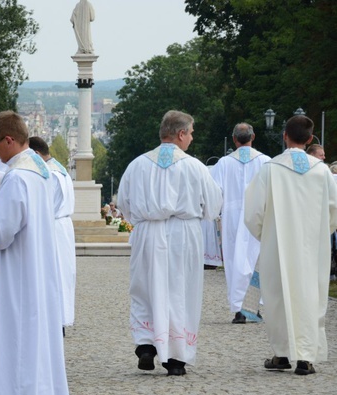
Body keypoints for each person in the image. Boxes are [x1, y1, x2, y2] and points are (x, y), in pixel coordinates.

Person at [0, 111, 70, 395]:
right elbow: (22, 197)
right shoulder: (40, 170)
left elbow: (0, 231)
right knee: (37, 332)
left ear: (9, 140)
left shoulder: (16, 177)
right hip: (37, 265)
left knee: (17, 333)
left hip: (15, 270)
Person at [117, 110, 222, 376]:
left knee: (144, 287)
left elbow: (124, 205)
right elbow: (213, 206)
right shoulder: (194, 166)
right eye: (191, 132)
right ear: (180, 133)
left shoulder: (137, 164)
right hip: (184, 234)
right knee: (180, 290)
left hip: (147, 231)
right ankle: (176, 357)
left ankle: (145, 344)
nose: (192, 138)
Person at [244, 114, 337, 375]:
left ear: (284, 135)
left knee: (277, 297)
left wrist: (267, 234)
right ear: (309, 140)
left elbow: (253, 212)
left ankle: (282, 353)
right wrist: (319, 232)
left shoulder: (270, 169)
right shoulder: (321, 171)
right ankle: (306, 357)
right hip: (312, 245)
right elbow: (334, 210)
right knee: (310, 294)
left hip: (277, 243)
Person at [210, 123, 270, 323]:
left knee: (235, 263)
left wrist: (213, 214)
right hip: (258, 217)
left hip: (232, 218)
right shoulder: (266, 162)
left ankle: (239, 310)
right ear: (253, 137)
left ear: (234, 139)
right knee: (255, 261)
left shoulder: (224, 164)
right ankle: (254, 306)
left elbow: (213, 193)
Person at [29, 136, 76, 331]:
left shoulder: (48, 172)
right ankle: (59, 317)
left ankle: (55, 319)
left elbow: (45, 204)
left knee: (53, 274)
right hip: (62, 226)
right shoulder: (60, 168)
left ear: (37, 154)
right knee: (61, 274)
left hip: (52, 226)